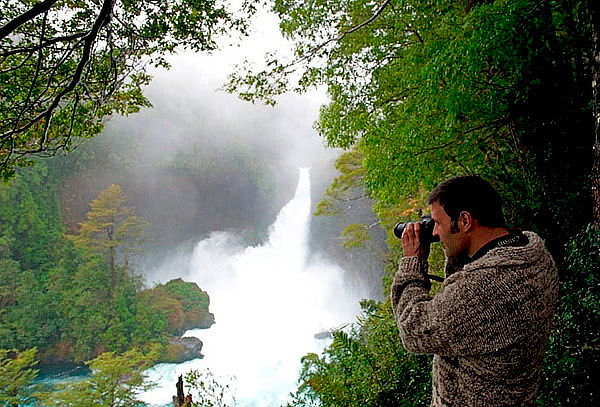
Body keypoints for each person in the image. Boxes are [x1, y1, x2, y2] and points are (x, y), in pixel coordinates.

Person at [390, 175, 558, 407]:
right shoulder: (534, 255)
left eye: (437, 223)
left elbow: (413, 329)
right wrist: (457, 249)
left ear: (465, 221)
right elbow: (468, 283)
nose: (436, 233)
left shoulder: (483, 288)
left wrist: (412, 263)